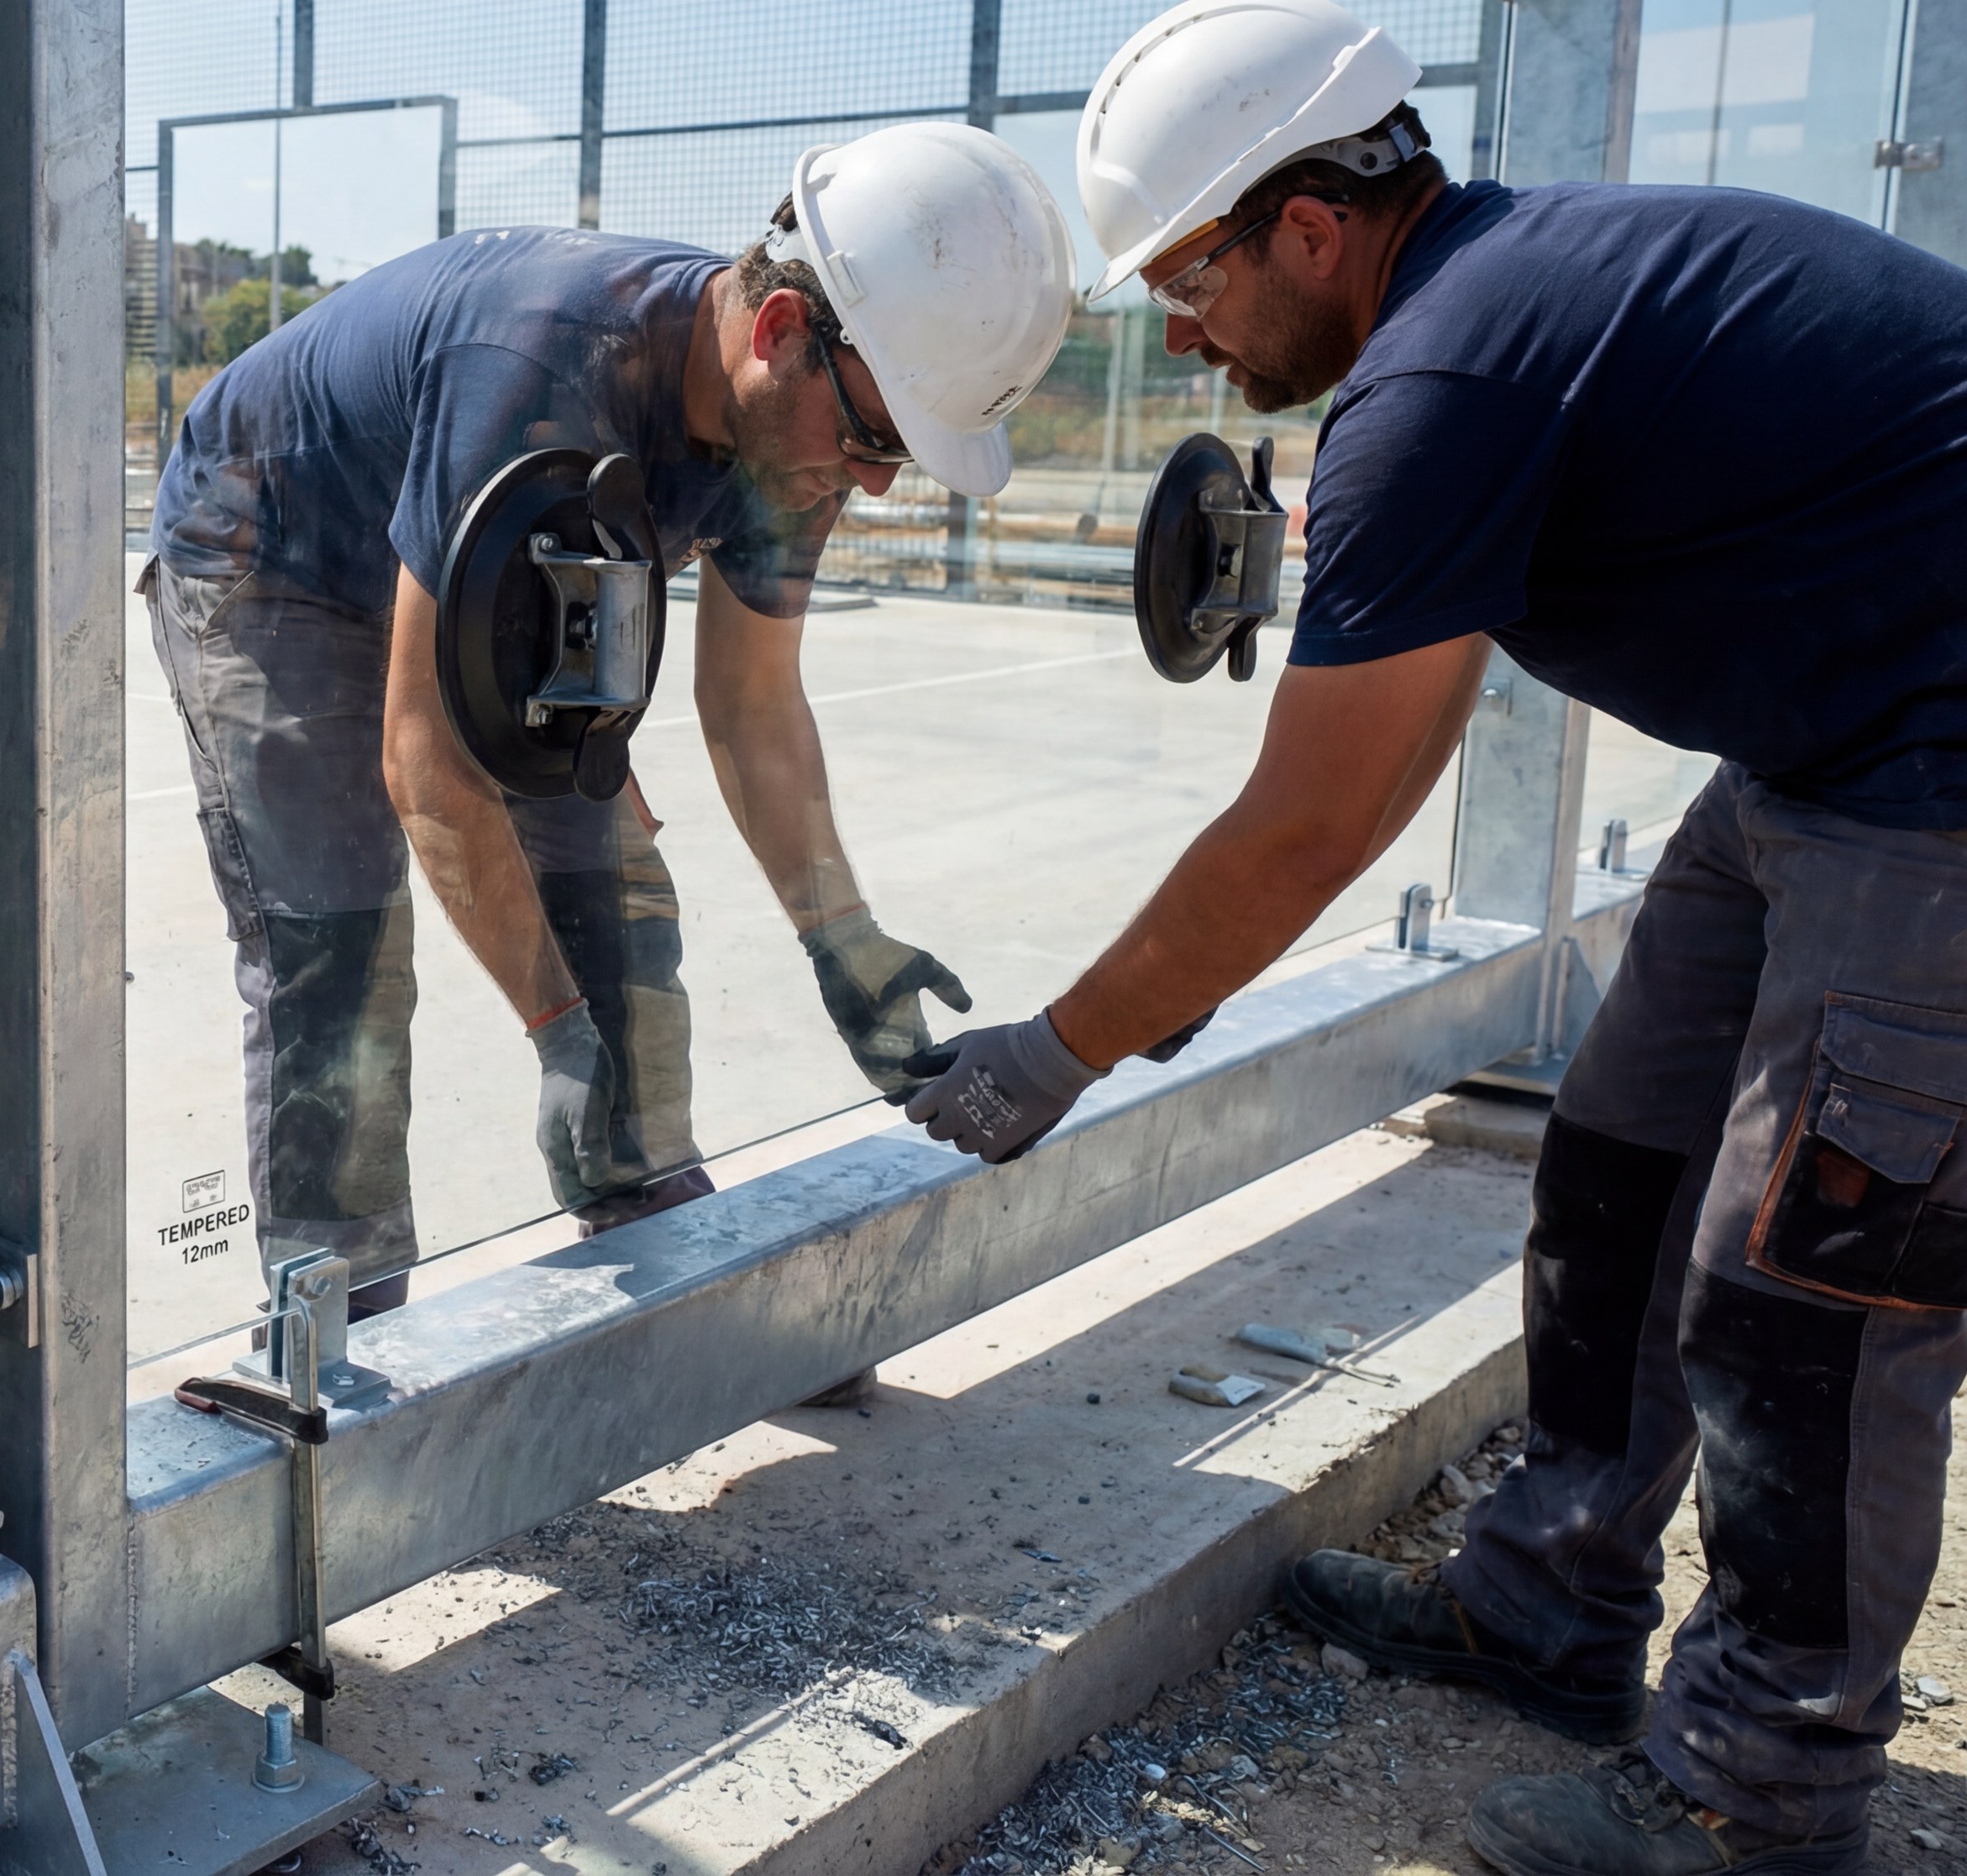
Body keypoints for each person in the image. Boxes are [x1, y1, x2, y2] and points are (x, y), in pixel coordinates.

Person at [895, 0, 1967, 1868]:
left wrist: (1054, 1050)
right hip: (1820, 748)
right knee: (1620, 1168)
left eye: (1191, 277)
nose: (1179, 327)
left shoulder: (1446, 378)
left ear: (1307, 229)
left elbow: (1314, 824)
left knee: (1811, 1291)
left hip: (1937, 773)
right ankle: (1548, 1607)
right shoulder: (1492, 318)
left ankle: (1757, 1792)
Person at [144, 124, 1075, 1313]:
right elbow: (425, 758)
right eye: (874, 441)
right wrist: (553, 1026)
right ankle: (345, 1318)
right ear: (782, 335)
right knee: (338, 944)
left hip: (477, 560)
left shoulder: (796, 435)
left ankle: (648, 1224)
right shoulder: (546, 365)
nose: (880, 481)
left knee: (616, 900)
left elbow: (752, 707)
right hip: (274, 550)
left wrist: (844, 940)